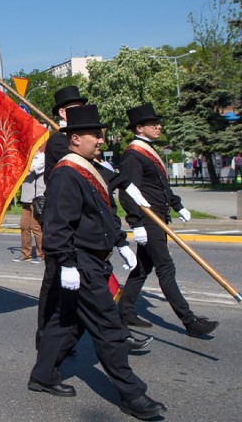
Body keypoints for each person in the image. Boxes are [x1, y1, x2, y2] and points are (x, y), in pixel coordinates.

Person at [28, 105, 166, 420]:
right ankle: (132, 394)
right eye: (95, 135)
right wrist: (66, 264)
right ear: (75, 138)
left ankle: (42, 375)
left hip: (93, 260)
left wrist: (119, 243)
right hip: (81, 263)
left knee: (67, 324)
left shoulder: (86, 167)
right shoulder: (66, 173)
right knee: (109, 328)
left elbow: (100, 216)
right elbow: (57, 226)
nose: (101, 140)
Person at [37, 86, 152, 352]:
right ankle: (48, 343)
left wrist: (123, 182)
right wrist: (121, 180)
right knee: (56, 289)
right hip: (67, 222)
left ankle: (98, 336)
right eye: (75, 107)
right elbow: (83, 169)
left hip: (87, 219)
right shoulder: (59, 141)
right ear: (64, 112)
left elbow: (97, 168)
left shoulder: (83, 139)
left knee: (75, 291)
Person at [117, 103, 219, 338]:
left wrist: (177, 204)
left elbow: (159, 185)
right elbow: (126, 191)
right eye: (153, 124)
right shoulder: (133, 154)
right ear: (139, 128)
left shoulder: (148, 150)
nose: (159, 126)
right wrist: (136, 223)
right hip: (148, 219)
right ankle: (189, 321)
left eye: (158, 122)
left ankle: (125, 310)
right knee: (165, 268)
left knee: (143, 267)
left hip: (159, 216)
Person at [17, 150, 45, 263]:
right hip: (26, 198)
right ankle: (25, 254)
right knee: (24, 226)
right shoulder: (27, 158)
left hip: (36, 198)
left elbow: (31, 169)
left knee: (36, 227)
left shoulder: (42, 157)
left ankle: (41, 254)